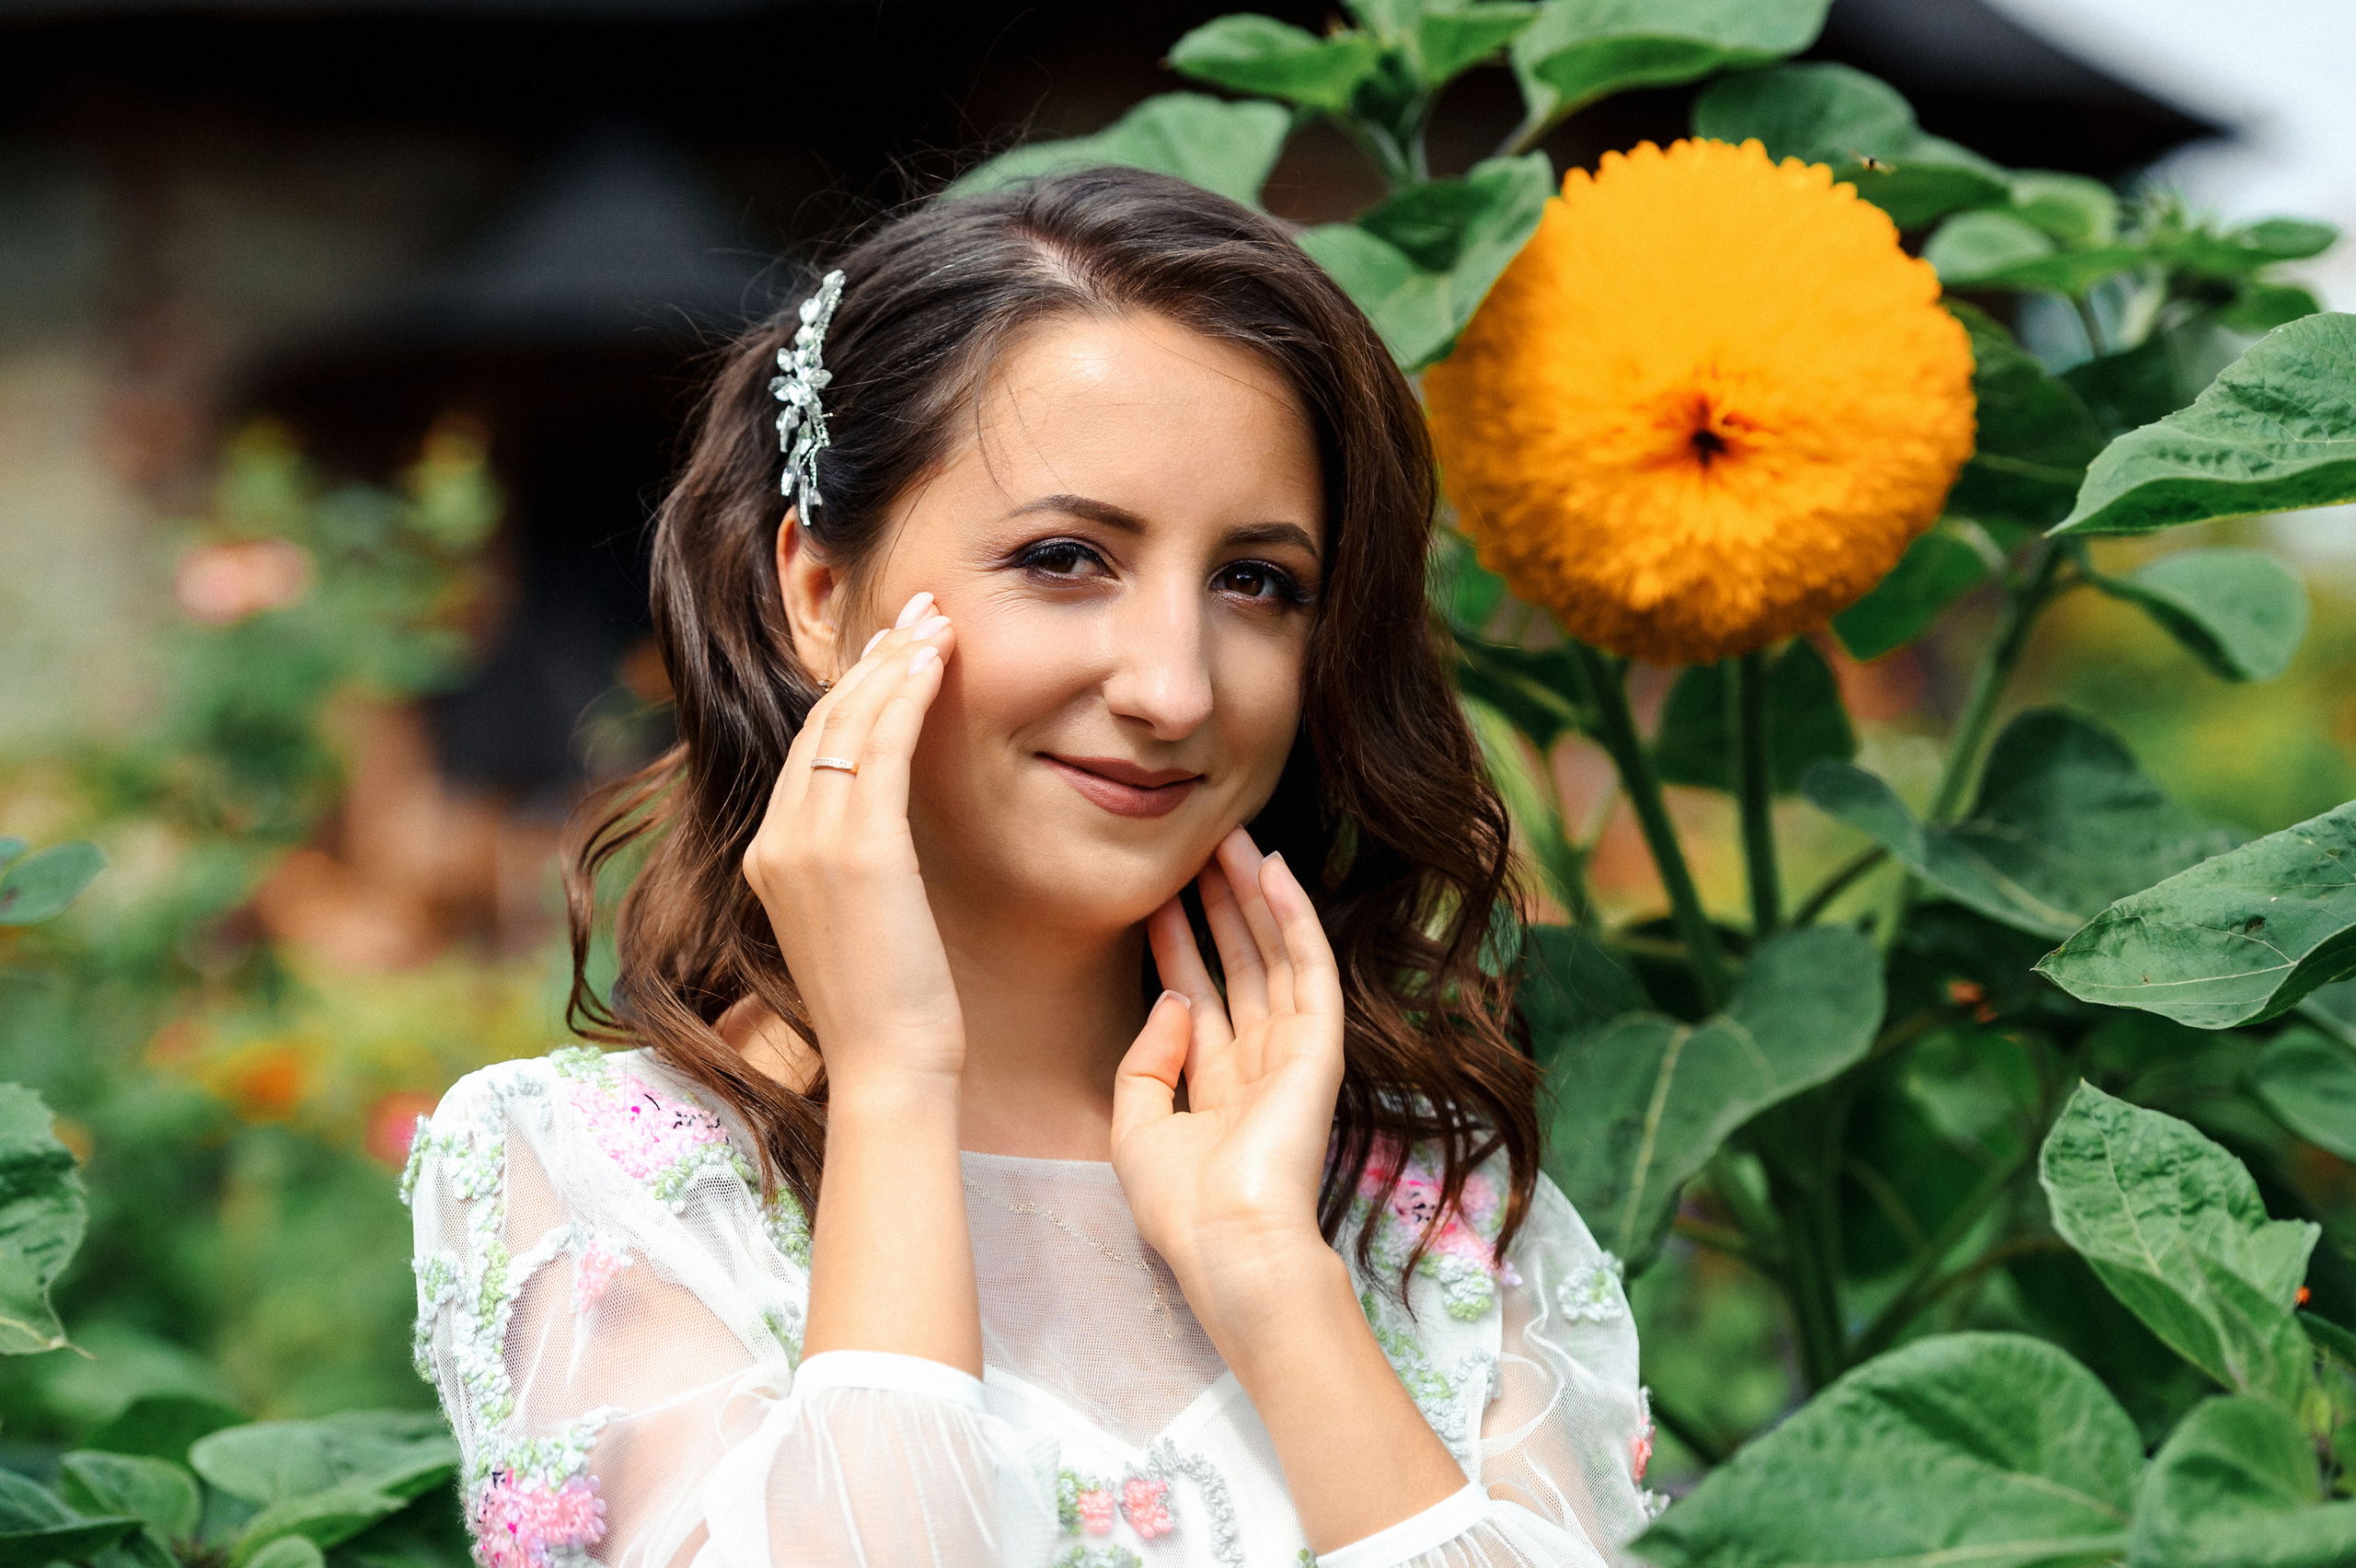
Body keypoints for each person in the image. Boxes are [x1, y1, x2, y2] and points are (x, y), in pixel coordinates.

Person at [404, 166, 1656, 1568]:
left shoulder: (1428, 1202)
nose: (1175, 688)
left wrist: (1273, 1279)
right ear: (818, 594)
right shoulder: (604, 1184)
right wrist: (893, 1084)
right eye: (1066, 558)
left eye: (1256, 582)